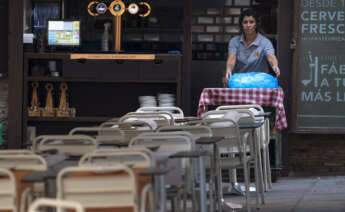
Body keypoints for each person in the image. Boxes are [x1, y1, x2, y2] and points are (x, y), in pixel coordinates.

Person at [224, 8, 280, 85]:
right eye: (245, 22)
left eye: (251, 22)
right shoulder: (234, 41)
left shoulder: (265, 42)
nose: (248, 25)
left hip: (259, 83)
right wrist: (228, 70)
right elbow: (231, 58)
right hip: (240, 83)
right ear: (241, 24)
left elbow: (271, 56)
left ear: (256, 24)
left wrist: (275, 66)